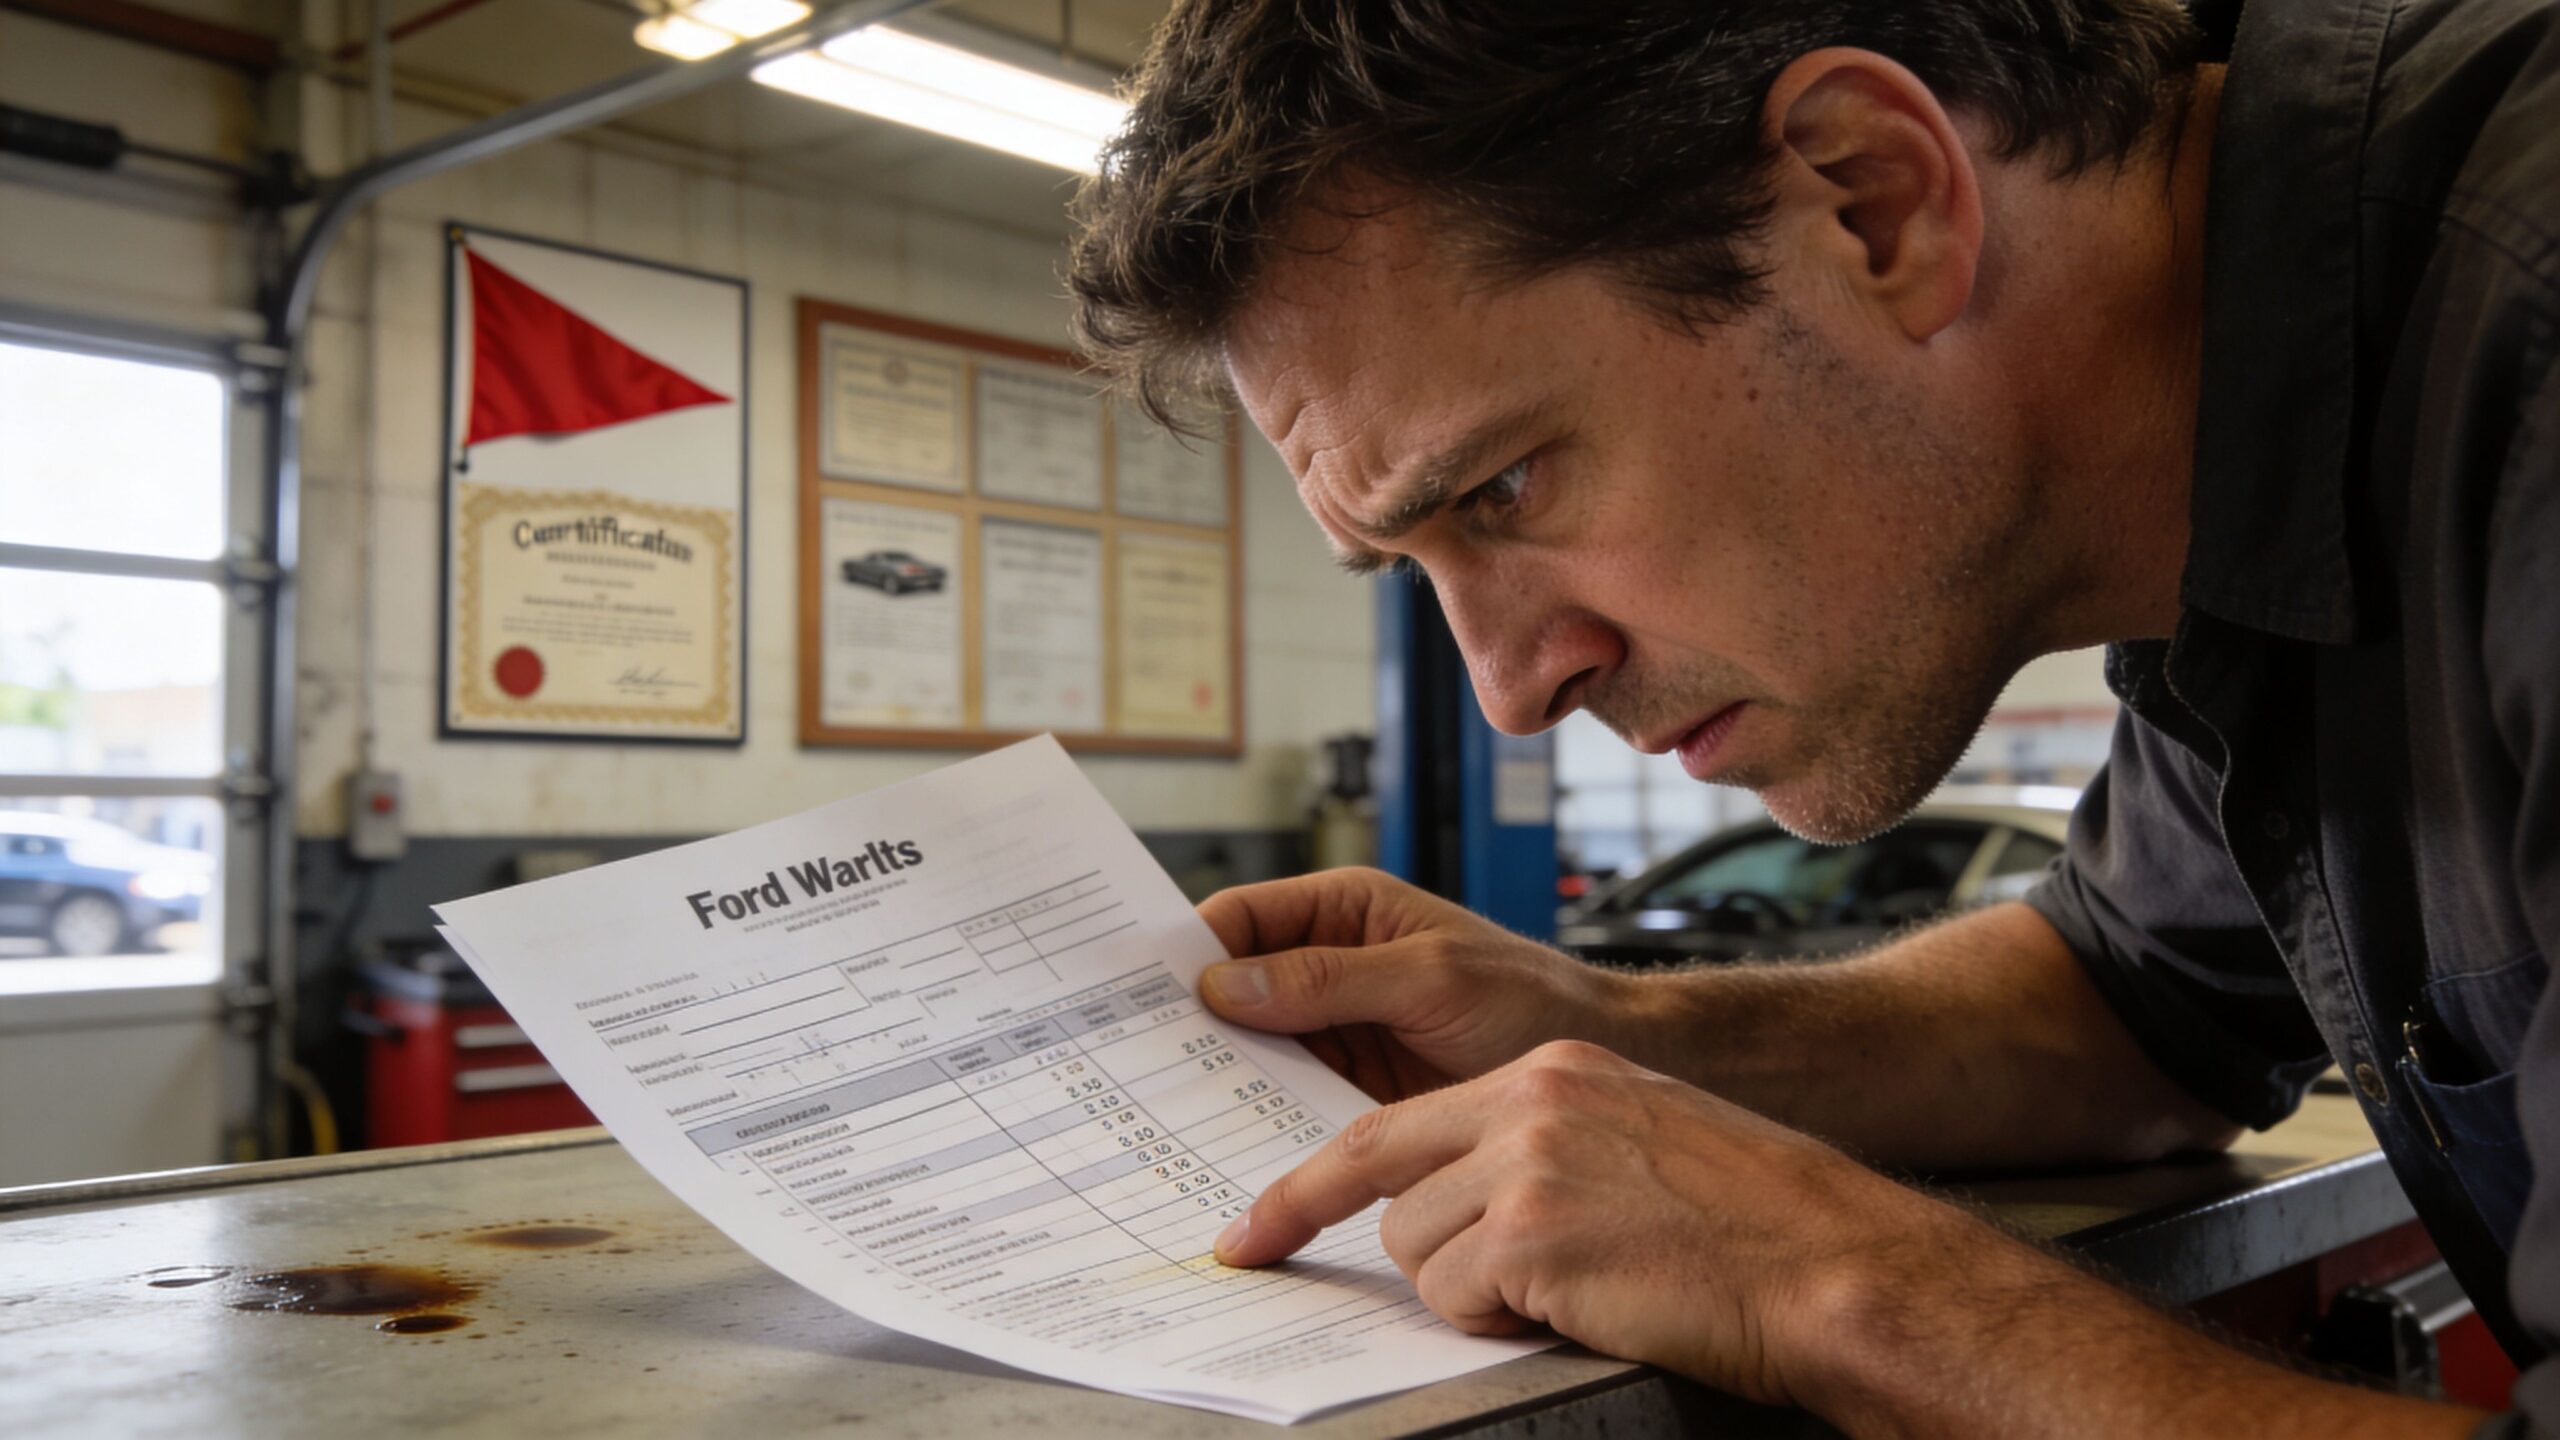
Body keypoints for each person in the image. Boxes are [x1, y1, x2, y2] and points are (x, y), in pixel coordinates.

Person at [1065, 0, 2560, 1434]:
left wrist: (1835, 1284)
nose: (1512, 693)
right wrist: (1594, 1033)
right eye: (1411, 563)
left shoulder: (2529, 346)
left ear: (1872, 200)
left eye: (1506, 487)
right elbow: (2124, 1014)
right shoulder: (2240, 474)